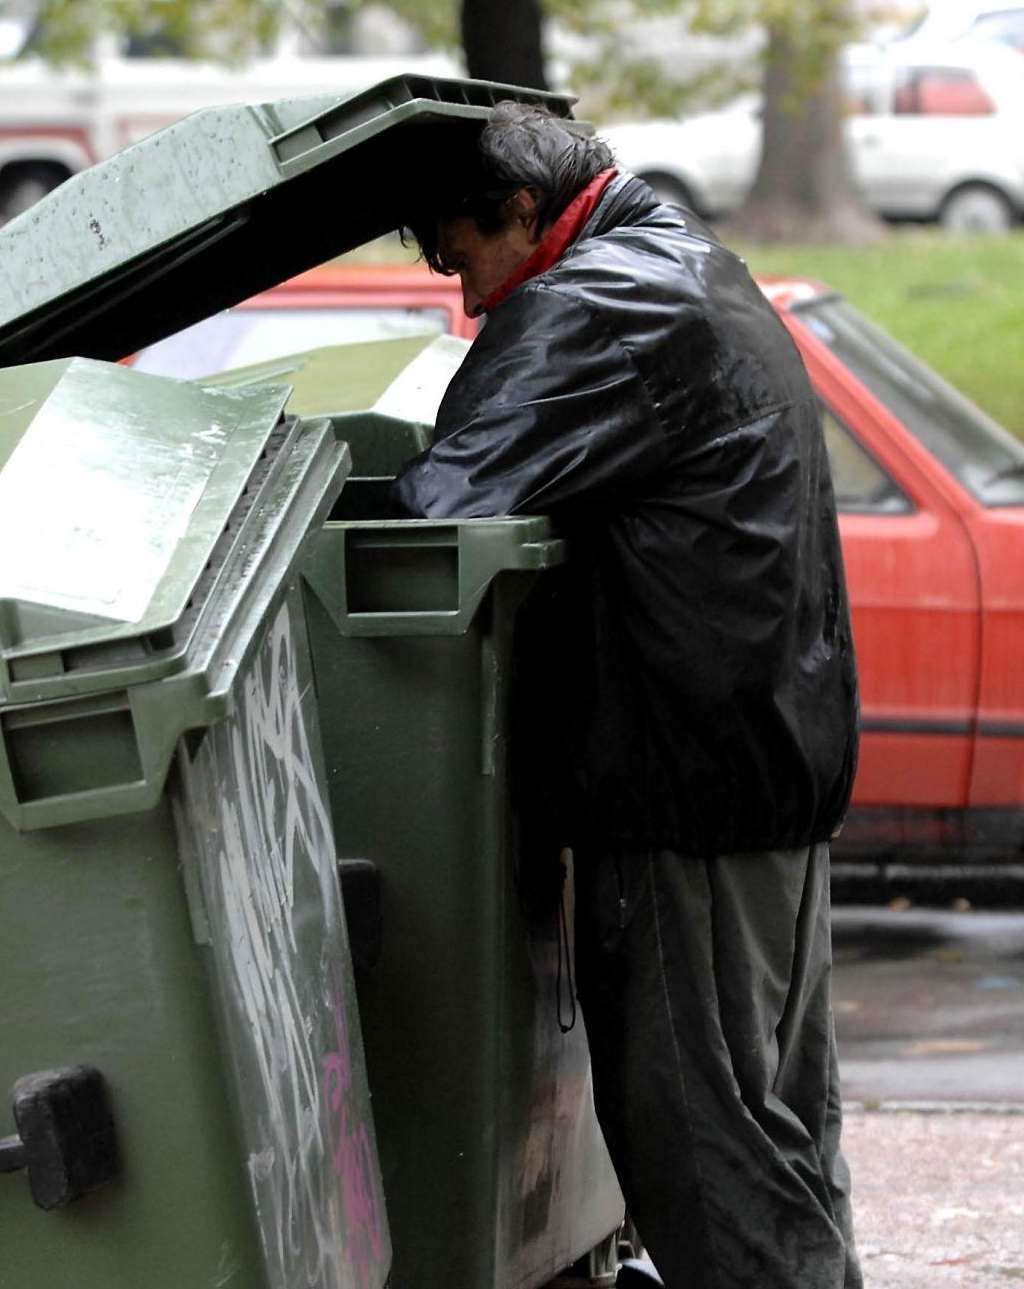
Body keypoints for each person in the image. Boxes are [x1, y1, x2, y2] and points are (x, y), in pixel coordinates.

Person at [393, 103, 862, 1289]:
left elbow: (431, 514)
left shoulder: (597, 303)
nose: (467, 301)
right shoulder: (686, 260)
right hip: (766, 775)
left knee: (708, 1155)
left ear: (517, 209)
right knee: (778, 1136)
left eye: (460, 258)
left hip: (681, 802)